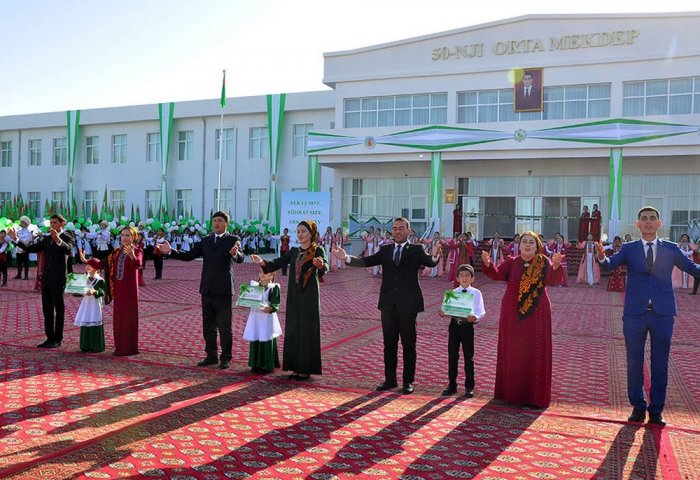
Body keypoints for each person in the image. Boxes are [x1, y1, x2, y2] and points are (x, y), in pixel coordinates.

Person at [596, 207, 700, 426]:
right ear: (638, 224)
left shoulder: (671, 249)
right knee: (634, 362)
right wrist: (601, 256)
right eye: (644, 218)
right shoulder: (629, 248)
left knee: (660, 363)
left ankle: (656, 410)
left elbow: (692, 268)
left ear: (659, 223)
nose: (648, 222)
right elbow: (610, 265)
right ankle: (638, 406)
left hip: (662, 315)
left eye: (653, 218)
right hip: (635, 314)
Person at [333, 217, 442, 395]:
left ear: (409, 231)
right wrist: (346, 257)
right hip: (388, 304)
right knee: (389, 344)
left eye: (401, 228)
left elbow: (430, 262)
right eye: (395, 228)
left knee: (409, 345)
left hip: (408, 305)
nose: (397, 231)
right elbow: (367, 261)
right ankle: (390, 380)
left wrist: (436, 255)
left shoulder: (416, 249)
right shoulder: (385, 250)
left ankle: (408, 381)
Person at [481, 231, 563, 408]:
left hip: (537, 314)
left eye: (531, 243)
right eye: (524, 241)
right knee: (514, 351)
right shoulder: (512, 262)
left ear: (537, 246)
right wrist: (488, 264)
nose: (527, 245)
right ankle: (511, 394)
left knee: (535, 351)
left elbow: (552, 279)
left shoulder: (543, 262)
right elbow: (496, 274)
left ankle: (534, 397)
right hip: (512, 315)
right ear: (519, 244)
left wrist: (556, 267)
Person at [157, 211, 244, 369]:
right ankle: (211, 355)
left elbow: (240, 257)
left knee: (225, 327)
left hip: (224, 290)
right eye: (214, 221)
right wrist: (170, 251)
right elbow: (189, 255)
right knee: (208, 326)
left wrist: (236, 254)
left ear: (226, 223)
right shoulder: (206, 240)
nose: (216, 223)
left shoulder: (233, 240)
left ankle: (226, 357)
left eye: (219, 221)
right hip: (207, 289)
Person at [252, 220, 328, 380]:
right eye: (298, 231)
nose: (300, 234)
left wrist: (320, 265)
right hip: (294, 296)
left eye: (304, 231)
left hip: (309, 297)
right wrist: (262, 262)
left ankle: (305, 369)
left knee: (307, 331)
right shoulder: (293, 251)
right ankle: (294, 367)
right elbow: (278, 263)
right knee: (294, 330)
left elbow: (324, 267)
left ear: (311, 233)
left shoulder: (317, 250)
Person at [7, 214, 75, 348]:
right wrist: (16, 239)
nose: (52, 225)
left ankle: (57, 338)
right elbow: (31, 248)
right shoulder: (47, 238)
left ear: (62, 224)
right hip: (46, 278)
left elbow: (69, 250)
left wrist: (59, 241)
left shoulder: (67, 237)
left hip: (59, 278)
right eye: (51, 223)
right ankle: (49, 337)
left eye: (55, 223)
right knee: (47, 310)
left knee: (59, 309)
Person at [82, 225, 142, 356]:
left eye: (128, 235)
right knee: (119, 318)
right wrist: (88, 260)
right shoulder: (117, 251)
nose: (125, 238)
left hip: (130, 291)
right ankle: (120, 347)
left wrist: (132, 256)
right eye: (123, 235)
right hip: (119, 290)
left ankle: (129, 348)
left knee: (128, 318)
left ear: (134, 237)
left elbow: (138, 265)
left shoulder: (137, 251)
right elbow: (103, 263)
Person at [438, 264, 485, 397]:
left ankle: (469, 386)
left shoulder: (476, 293)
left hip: (467, 327)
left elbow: (481, 311)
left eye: (467, 276)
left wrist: (475, 317)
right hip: (454, 326)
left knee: (468, 357)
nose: (464, 278)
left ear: (472, 279)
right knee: (452, 356)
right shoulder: (452, 293)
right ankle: (452, 385)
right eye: (461, 276)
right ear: (457, 278)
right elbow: (445, 309)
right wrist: (442, 312)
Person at [242, 270, 282, 374]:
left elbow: (276, 303)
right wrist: (244, 300)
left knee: (266, 337)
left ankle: (267, 364)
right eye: (260, 272)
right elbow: (246, 298)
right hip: (255, 316)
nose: (262, 275)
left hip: (266, 317)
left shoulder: (274, 287)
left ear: (272, 275)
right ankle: (255, 364)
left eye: (266, 273)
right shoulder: (254, 286)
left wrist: (270, 308)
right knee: (255, 336)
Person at [74, 260, 107, 353]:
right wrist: (75, 290)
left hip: (95, 304)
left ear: (96, 269)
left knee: (95, 320)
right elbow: (78, 291)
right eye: (87, 265)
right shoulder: (84, 278)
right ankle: (85, 345)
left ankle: (96, 346)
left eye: (90, 266)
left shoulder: (100, 280)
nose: (87, 267)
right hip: (86, 304)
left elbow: (103, 292)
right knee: (86, 320)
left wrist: (94, 292)